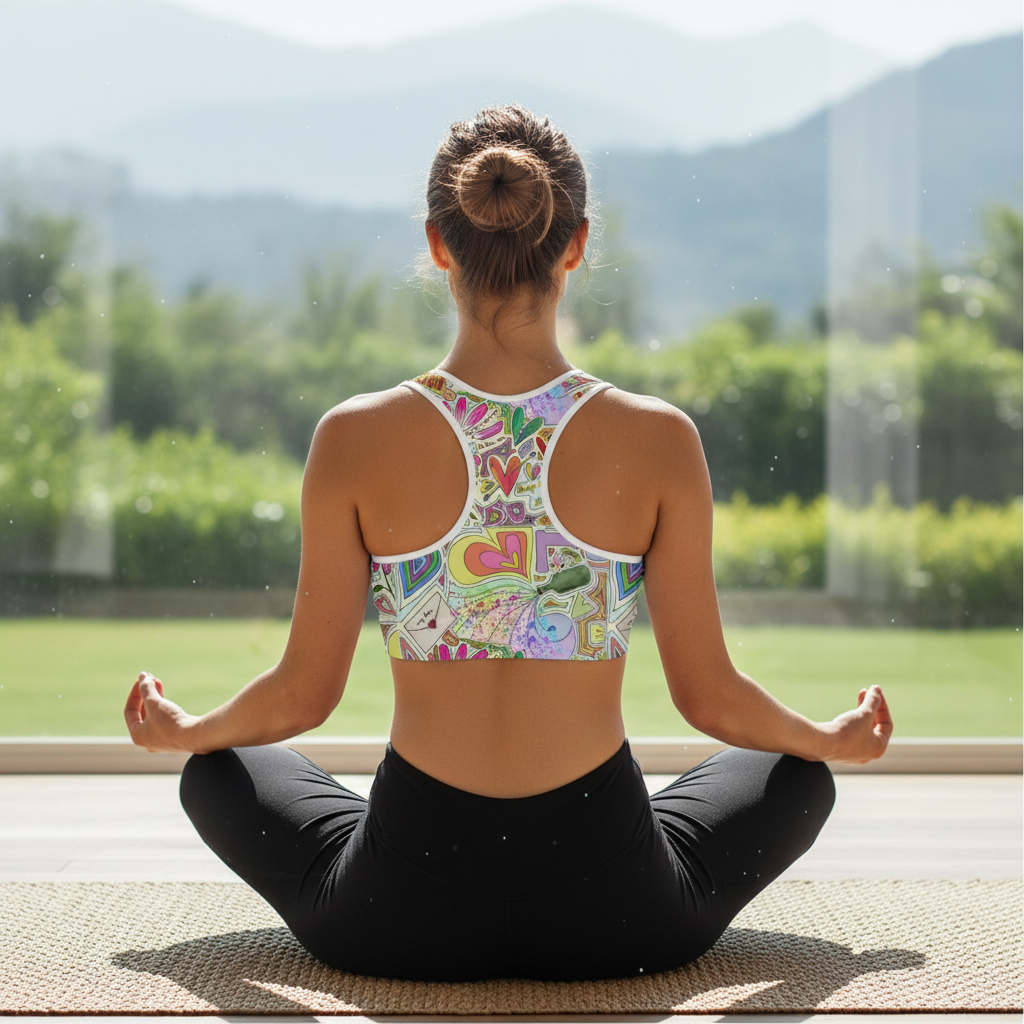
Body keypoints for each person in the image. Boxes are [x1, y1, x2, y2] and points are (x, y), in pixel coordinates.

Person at [124, 104, 892, 983]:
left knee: (215, 770)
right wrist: (828, 739)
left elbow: (303, 695)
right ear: (575, 245)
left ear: (438, 245)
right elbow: (710, 699)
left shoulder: (352, 437)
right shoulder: (660, 438)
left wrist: (189, 729)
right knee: (795, 774)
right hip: (615, 914)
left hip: (400, 916)